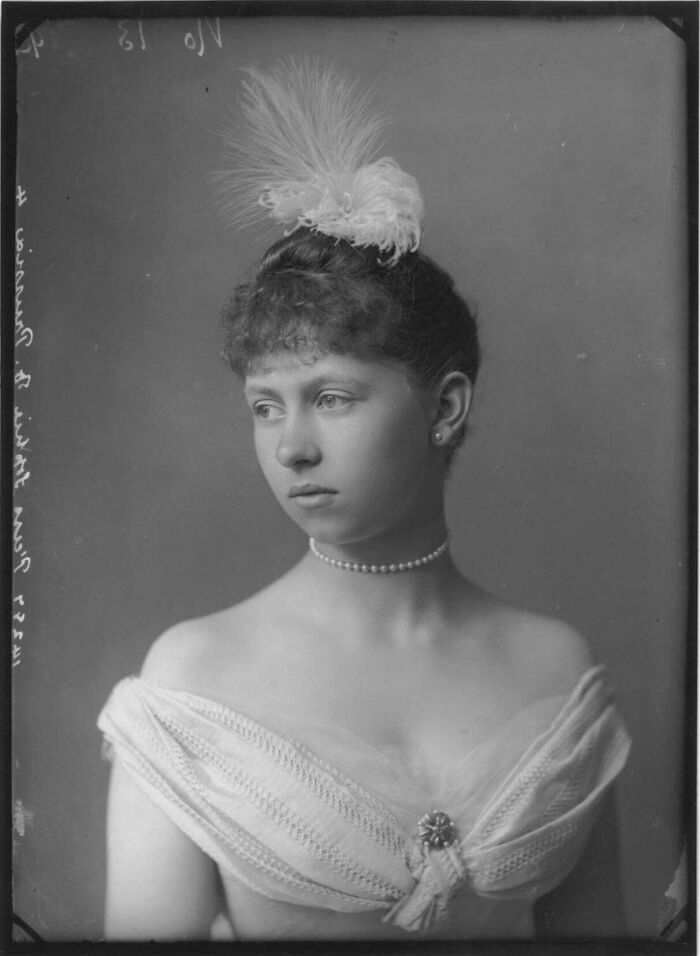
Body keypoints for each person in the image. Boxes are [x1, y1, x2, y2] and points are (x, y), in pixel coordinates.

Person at [98, 60, 630, 942]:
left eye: (333, 398)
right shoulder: (193, 677)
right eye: (265, 406)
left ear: (445, 408)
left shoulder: (556, 670)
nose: (291, 444)